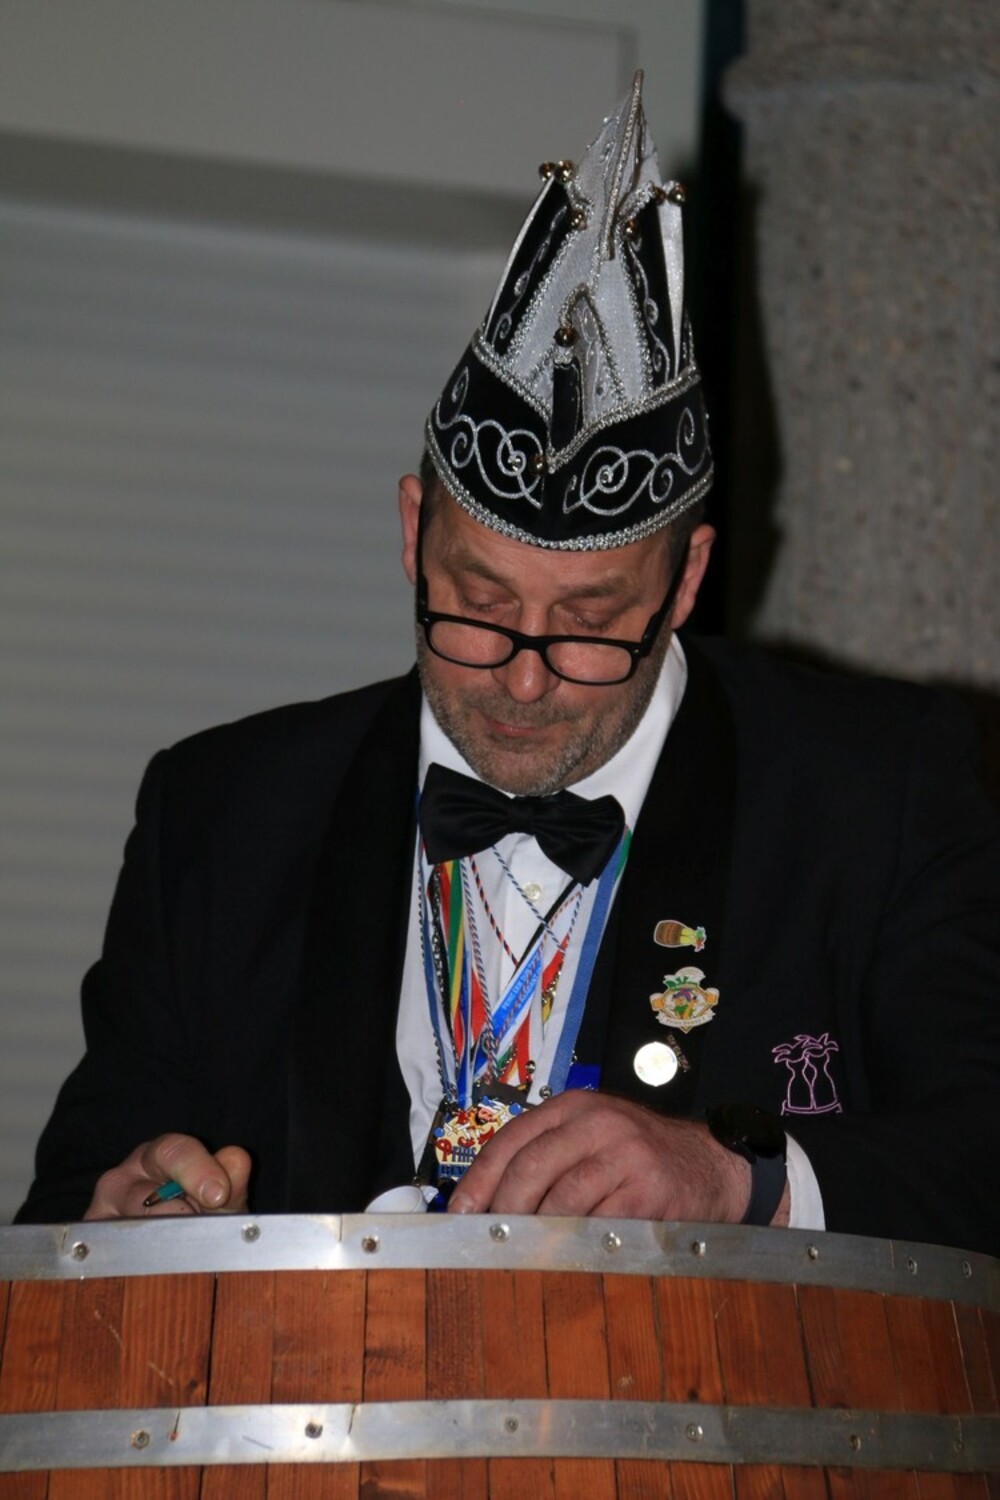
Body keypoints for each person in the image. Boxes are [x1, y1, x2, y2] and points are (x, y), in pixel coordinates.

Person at [16, 75, 1000, 1255]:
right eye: (479, 607)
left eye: (588, 621)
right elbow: (67, 1214)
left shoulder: (876, 790)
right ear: (409, 533)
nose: (523, 681)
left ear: (686, 580)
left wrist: (742, 1180)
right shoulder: (219, 812)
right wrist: (122, 1221)